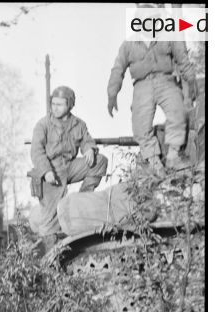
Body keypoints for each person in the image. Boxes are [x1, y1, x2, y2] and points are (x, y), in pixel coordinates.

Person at [107, 4, 198, 177]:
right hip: (142, 84)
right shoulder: (129, 44)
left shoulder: (168, 36)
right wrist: (112, 94)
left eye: (155, 20)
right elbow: (117, 69)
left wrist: (191, 80)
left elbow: (183, 59)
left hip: (165, 80)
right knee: (140, 125)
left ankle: (173, 155)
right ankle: (154, 161)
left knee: (178, 112)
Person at [30, 86, 108, 252]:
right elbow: (36, 151)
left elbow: (87, 139)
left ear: (70, 105)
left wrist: (89, 149)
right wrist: (46, 171)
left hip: (70, 167)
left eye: (60, 104)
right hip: (51, 171)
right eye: (53, 104)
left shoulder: (78, 124)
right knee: (49, 222)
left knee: (99, 161)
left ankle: (81, 198)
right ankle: (48, 255)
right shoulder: (43, 125)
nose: (55, 108)